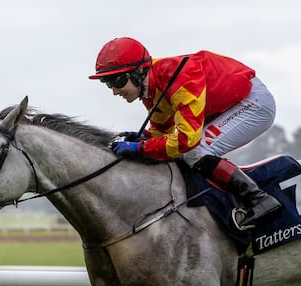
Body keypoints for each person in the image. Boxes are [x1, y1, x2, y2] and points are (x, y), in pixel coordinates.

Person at [88, 37, 281, 229]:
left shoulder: (180, 78)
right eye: (107, 83)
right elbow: (161, 131)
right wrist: (143, 138)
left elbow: (185, 141)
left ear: (140, 71)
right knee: (184, 152)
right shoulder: (150, 88)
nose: (114, 91)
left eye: (117, 80)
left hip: (253, 103)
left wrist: (139, 148)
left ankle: (258, 199)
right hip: (228, 106)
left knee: (194, 151)